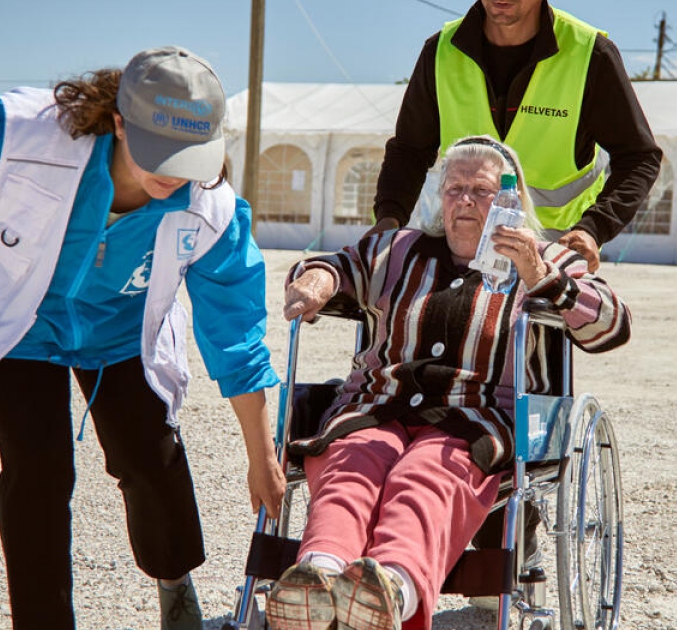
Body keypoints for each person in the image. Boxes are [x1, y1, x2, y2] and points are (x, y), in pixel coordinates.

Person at [0, 47, 286, 630]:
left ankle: (175, 584)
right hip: (17, 327)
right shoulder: (20, 134)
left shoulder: (212, 210)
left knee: (149, 459)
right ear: (120, 123)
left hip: (122, 335)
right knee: (38, 472)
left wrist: (261, 457)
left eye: (190, 156)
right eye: (158, 151)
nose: (173, 172)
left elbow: (234, 332)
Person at [266, 136, 631, 630]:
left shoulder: (543, 257)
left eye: (480, 191)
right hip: (378, 403)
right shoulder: (399, 248)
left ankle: (391, 587)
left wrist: (540, 275)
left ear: (510, 198)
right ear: (439, 197)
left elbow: (612, 324)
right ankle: (319, 577)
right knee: (353, 465)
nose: (464, 200)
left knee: (426, 475)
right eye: (454, 188)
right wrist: (315, 284)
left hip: (474, 418)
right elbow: (336, 265)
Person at [368, 0, 663, 272]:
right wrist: (388, 220)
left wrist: (593, 228)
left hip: (553, 254)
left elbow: (639, 157)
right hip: (461, 250)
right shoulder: (441, 52)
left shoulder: (590, 54)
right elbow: (409, 151)